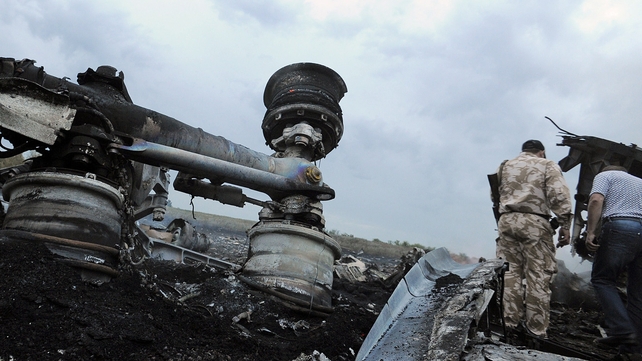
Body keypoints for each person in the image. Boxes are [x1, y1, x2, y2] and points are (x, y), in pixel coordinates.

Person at [495, 139, 573, 337]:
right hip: (535, 224)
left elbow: (494, 195)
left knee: (510, 274)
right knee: (538, 275)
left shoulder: (505, 166)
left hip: (506, 221)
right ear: (542, 152)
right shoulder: (547, 164)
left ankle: (509, 323)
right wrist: (565, 224)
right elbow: (559, 195)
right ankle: (536, 329)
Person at [586, 165, 642, 352]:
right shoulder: (640, 182)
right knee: (637, 293)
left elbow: (596, 200)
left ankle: (621, 330)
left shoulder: (605, 175)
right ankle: (632, 349)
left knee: (602, 279)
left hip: (620, 228)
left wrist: (591, 232)